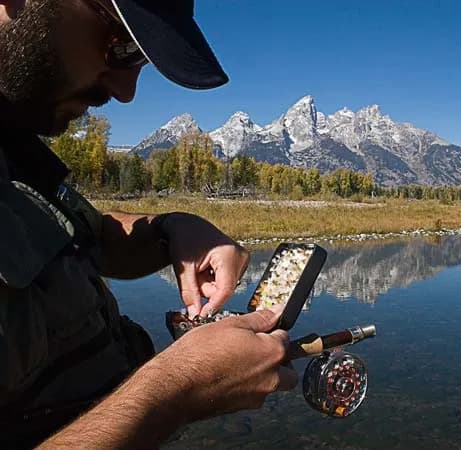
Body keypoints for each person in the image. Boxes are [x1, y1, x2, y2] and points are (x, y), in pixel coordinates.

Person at [0, 0, 298, 448]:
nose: (126, 91)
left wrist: (169, 229)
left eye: (139, 57)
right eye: (121, 45)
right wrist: (176, 390)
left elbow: (83, 236)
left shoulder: (12, 139)